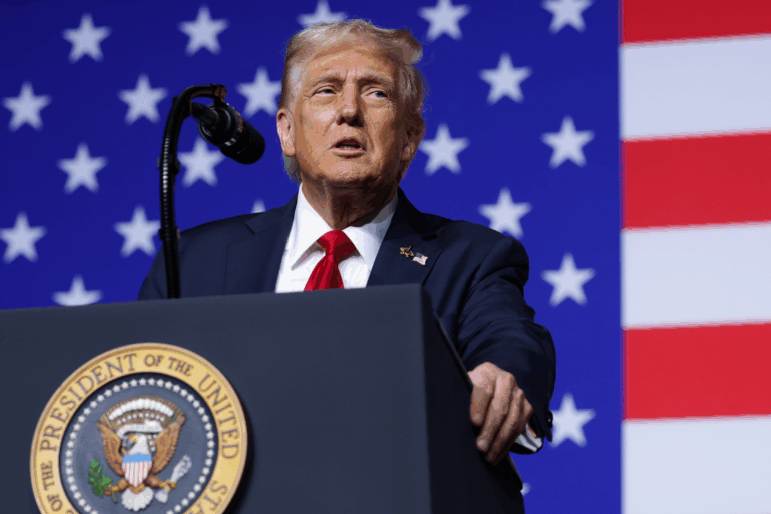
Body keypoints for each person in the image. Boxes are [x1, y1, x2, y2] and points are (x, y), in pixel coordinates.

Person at [140, 18, 555, 484]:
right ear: (287, 132)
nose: (349, 111)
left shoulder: (472, 257)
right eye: (326, 91)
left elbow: (510, 338)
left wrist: (503, 375)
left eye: (376, 92)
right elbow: (136, 392)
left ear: (410, 139)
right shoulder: (197, 260)